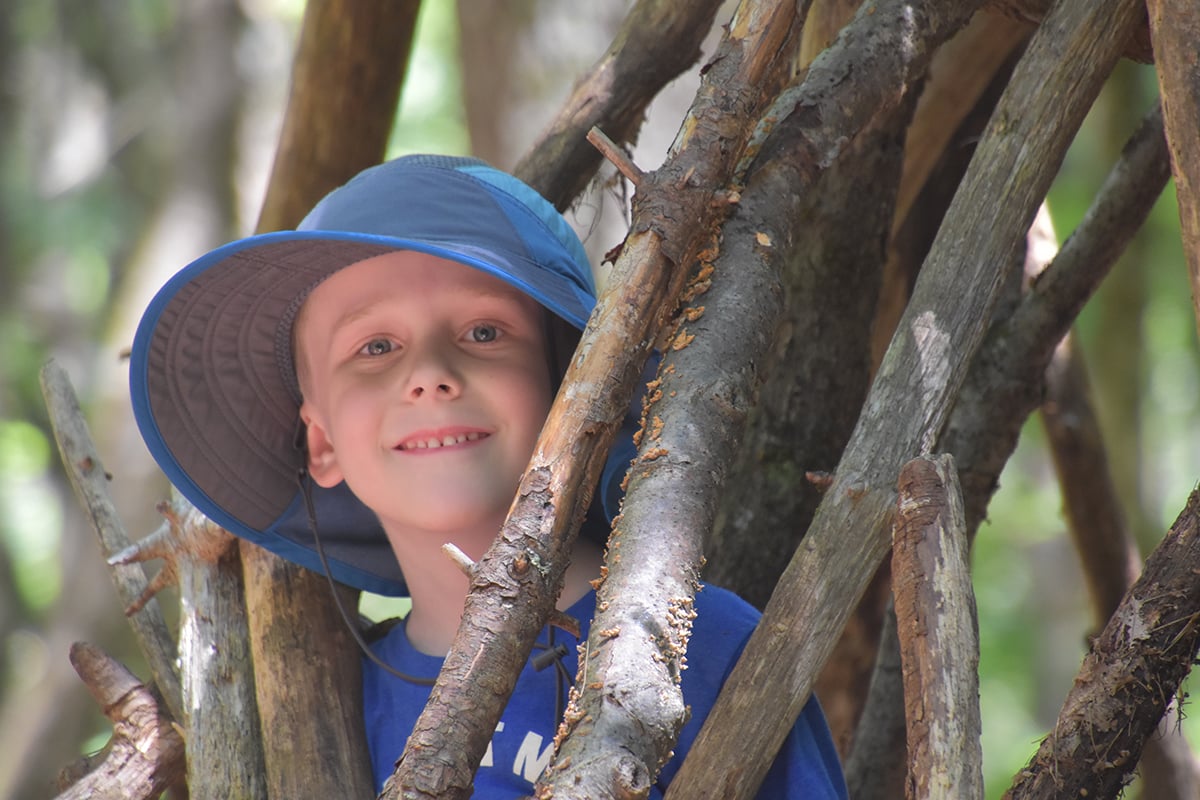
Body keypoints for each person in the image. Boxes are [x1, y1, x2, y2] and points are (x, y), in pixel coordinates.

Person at [129, 154, 848, 798]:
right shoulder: (333, 700)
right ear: (321, 444)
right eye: (375, 347)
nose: (432, 376)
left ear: (571, 388)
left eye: (483, 332)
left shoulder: (701, 645)